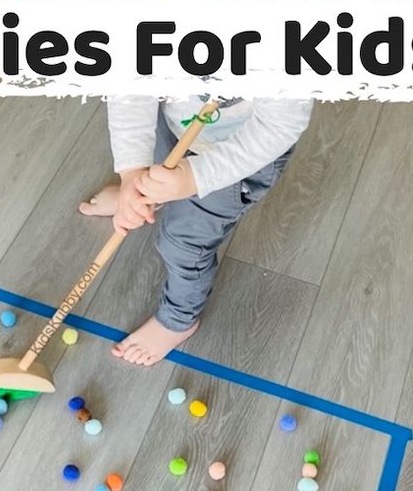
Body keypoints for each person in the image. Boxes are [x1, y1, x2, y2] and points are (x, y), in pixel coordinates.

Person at [80, 95, 313, 365]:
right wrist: (133, 172)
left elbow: (279, 125)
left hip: (241, 157)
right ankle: (141, 195)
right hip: (174, 121)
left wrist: (194, 177)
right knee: (150, 172)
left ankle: (177, 320)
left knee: (183, 244)